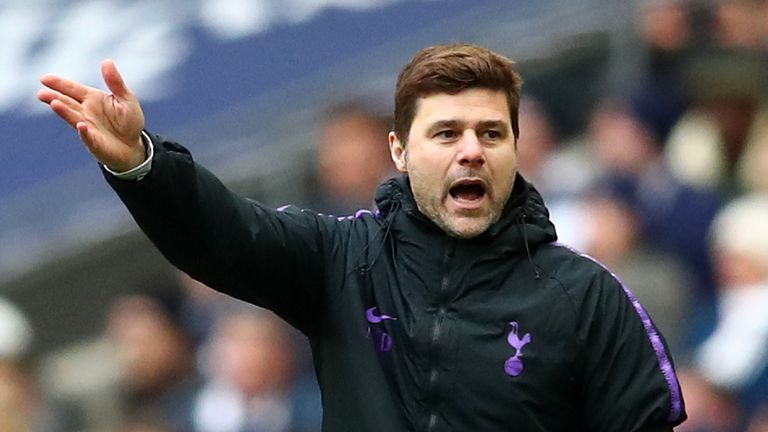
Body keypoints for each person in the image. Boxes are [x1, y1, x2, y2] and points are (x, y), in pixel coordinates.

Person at [37, 43, 686, 431]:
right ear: (399, 152)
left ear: (518, 148)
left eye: (492, 133)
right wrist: (141, 164)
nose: (471, 152)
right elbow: (223, 233)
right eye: (445, 133)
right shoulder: (343, 258)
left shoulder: (588, 296)